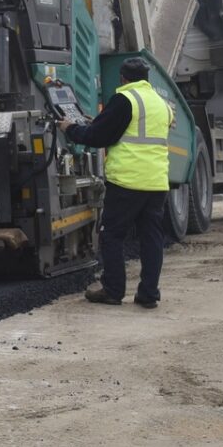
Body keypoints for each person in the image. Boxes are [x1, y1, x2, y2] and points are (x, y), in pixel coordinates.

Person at [64, 57, 174, 309]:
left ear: (123, 78)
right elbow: (134, 129)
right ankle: (149, 294)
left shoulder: (125, 99)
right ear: (146, 78)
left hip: (128, 181)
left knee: (112, 235)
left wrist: (70, 128)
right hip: (156, 182)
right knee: (152, 238)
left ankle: (113, 290)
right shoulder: (161, 103)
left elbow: (97, 137)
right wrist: (101, 121)